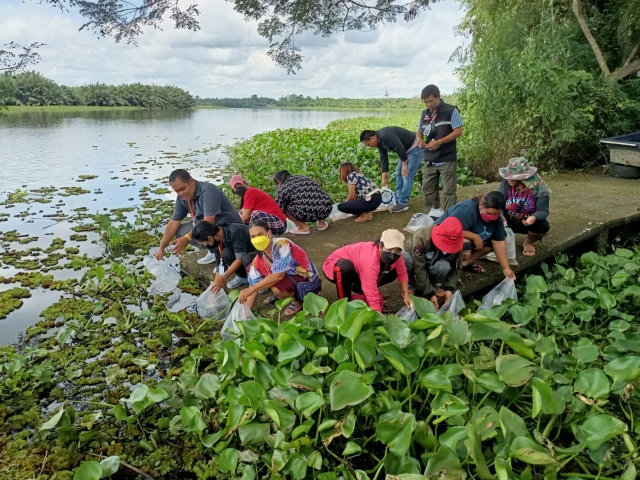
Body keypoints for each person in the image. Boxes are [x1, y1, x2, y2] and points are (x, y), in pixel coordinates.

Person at [154, 169, 242, 262]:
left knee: (199, 231)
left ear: (191, 181)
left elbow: (208, 222)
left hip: (228, 226)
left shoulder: (208, 191)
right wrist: (161, 247)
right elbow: (173, 223)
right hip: (210, 225)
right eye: (177, 191)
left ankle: (220, 249)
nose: (181, 193)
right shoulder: (182, 198)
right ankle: (213, 250)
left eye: (183, 189)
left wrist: (187, 238)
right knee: (180, 230)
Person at [238, 220, 322, 315]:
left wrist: (253, 289)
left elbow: (278, 276)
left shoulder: (282, 244)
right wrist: (245, 313)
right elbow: (253, 283)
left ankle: (298, 300)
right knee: (256, 273)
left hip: (308, 281)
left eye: (260, 234)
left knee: (276, 287)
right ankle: (282, 295)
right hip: (289, 277)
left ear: (269, 233)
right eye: (253, 237)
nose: (257, 239)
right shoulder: (259, 259)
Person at [323, 229, 412, 312]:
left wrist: (406, 294)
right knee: (345, 267)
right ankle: (343, 305)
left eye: (397, 250)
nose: (393, 254)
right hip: (335, 267)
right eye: (389, 249)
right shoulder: (370, 261)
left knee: (392, 273)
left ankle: (360, 288)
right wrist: (377, 313)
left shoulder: (398, 256)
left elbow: (402, 273)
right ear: (380, 246)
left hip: (360, 270)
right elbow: (371, 291)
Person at [434, 191, 516, 281]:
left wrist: (506, 268)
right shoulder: (466, 211)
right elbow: (450, 230)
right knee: (466, 247)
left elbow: (499, 242)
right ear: (481, 205)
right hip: (442, 237)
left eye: (495, 214)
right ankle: (453, 267)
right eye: (489, 213)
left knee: (496, 241)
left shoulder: (497, 220)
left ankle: (465, 263)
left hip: (468, 237)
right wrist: (474, 237)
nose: (492, 217)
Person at [417, 84, 464, 215]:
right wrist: (419, 140)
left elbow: (458, 131)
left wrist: (439, 142)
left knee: (449, 191)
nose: (428, 104)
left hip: (446, 157)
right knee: (428, 189)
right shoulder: (424, 114)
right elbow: (419, 131)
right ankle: (433, 215)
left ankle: (449, 217)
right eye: (426, 102)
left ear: (438, 97)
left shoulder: (451, 110)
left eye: (431, 101)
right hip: (430, 159)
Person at [403, 217, 464, 309]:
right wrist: (430, 293)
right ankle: (411, 286)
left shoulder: (458, 243)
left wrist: (449, 288)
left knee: (443, 267)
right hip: (415, 260)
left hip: (434, 262)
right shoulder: (421, 237)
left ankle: (432, 284)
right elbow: (419, 267)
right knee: (404, 259)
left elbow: (457, 266)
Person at [360, 127, 422, 213]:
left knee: (407, 175)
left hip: (414, 148)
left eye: (368, 144)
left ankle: (403, 203)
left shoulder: (385, 135)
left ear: (372, 138)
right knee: (398, 172)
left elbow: (399, 147)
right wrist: (384, 178)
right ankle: (397, 198)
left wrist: (404, 164)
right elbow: (383, 159)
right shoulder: (379, 142)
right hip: (405, 150)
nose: (370, 147)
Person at [498, 157, 551, 256]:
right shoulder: (505, 184)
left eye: (510, 176)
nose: (507, 178)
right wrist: (501, 216)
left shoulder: (540, 187)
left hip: (527, 222)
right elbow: (497, 203)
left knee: (543, 226)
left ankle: (528, 243)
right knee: (491, 219)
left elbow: (543, 210)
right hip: (507, 220)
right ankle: (498, 243)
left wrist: (533, 217)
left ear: (520, 178)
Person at [191, 221, 255, 290]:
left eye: (204, 243)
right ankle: (243, 276)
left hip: (256, 252)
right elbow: (220, 261)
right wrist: (218, 277)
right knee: (226, 254)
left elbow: (239, 259)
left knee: (246, 259)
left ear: (210, 238)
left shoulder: (235, 231)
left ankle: (257, 280)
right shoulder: (217, 239)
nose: (204, 245)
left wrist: (223, 277)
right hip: (242, 253)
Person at [273, 170, 332, 235]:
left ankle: (303, 227)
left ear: (278, 181)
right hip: (326, 209)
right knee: (318, 198)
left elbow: (278, 208)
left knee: (285, 207)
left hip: (306, 213)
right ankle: (322, 224)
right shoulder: (303, 177)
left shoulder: (282, 188)